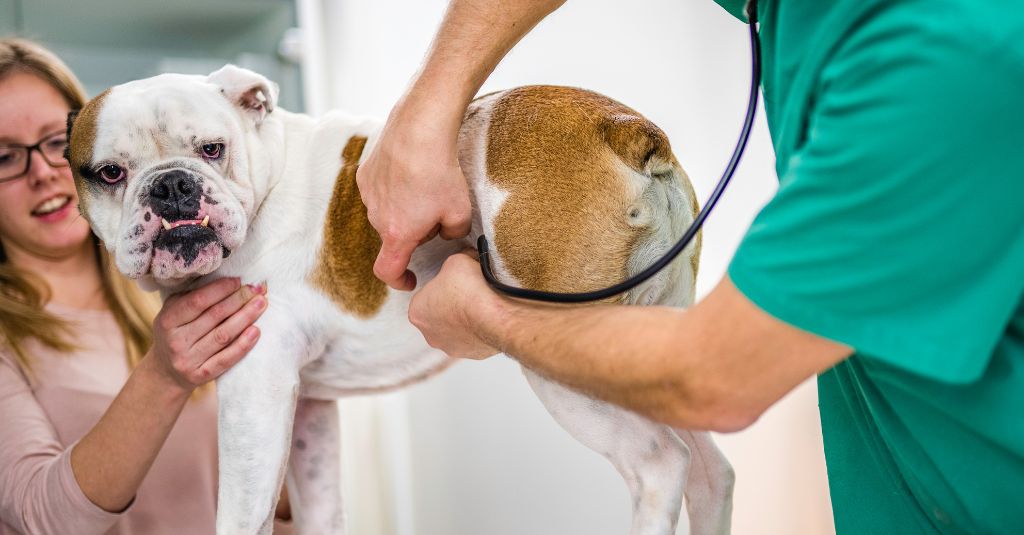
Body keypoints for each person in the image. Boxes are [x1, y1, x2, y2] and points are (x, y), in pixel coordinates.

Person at [356, 0, 1024, 532]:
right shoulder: (819, 18)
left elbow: (715, 378)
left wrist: (489, 315)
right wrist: (429, 105)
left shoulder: (948, 52)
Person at [0, 37, 289, 534]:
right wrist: (163, 376)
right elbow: (38, 517)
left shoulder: (190, 275)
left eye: (55, 145)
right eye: (3, 158)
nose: (45, 174)